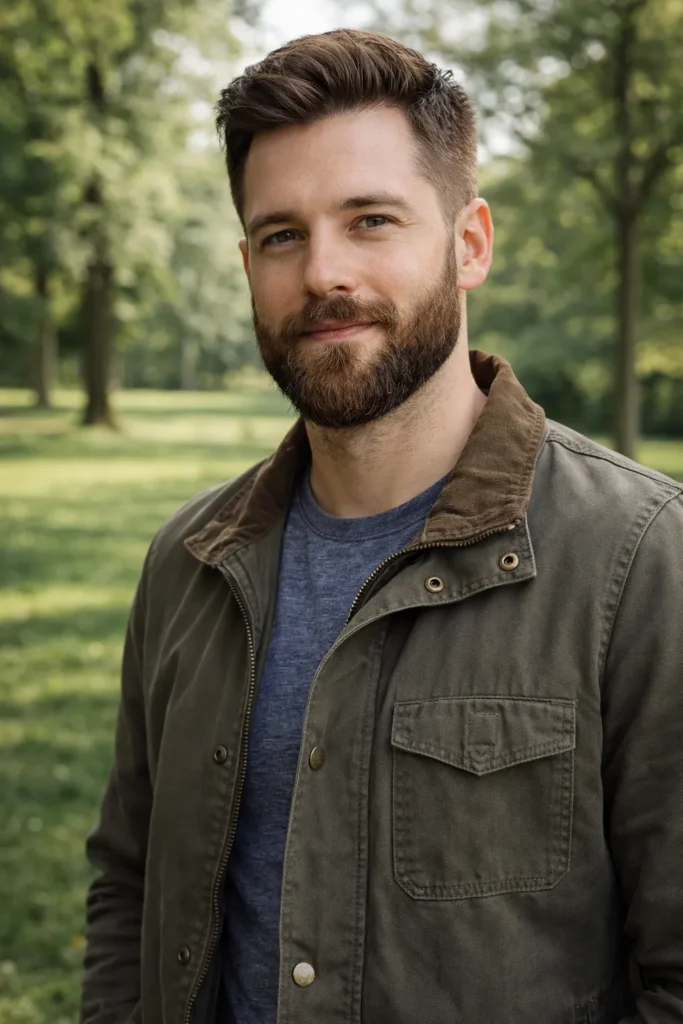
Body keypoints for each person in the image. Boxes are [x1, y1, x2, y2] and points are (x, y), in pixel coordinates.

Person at [80, 28, 683, 1024]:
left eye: (369, 220)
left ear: (468, 243)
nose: (324, 272)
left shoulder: (642, 560)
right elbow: (128, 889)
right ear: (246, 265)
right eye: (282, 235)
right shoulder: (186, 564)